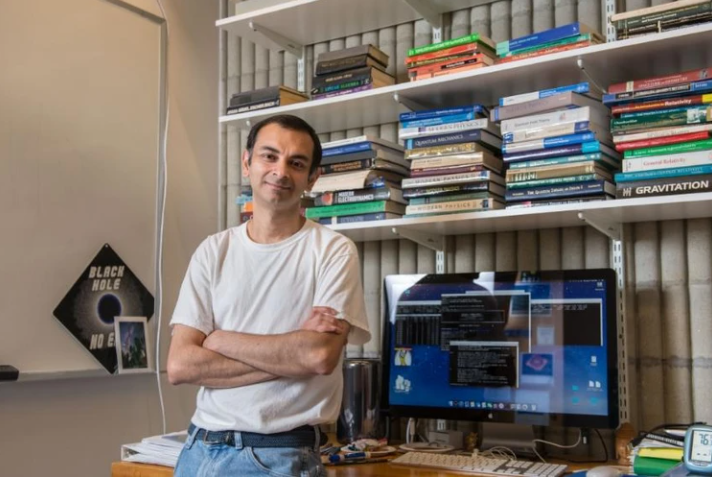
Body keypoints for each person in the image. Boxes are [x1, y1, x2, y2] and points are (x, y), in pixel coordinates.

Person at [167, 114, 370, 476]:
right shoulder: (213, 251)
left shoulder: (333, 251)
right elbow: (182, 365)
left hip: (277, 455)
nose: (281, 171)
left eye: (296, 163)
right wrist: (289, 354)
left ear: (313, 177)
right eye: (269, 156)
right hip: (198, 449)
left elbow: (319, 356)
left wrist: (219, 339)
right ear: (247, 164)